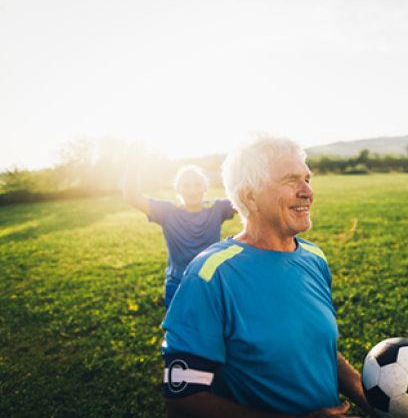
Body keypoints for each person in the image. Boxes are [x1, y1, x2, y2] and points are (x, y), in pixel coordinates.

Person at [161, 136, 373, 417]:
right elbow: (183, 399)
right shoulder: (210, 275)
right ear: (250, 197)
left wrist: (375, 400)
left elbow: (319, 353)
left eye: (307, 179)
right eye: (291, 180)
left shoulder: (314, 258)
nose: (307, 191)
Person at [123, 162, 235, 308]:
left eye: (197, 184)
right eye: (186, 185)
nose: (192, 190)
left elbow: (247, 198)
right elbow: (132, 197)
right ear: (178, 189)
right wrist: (133, 163)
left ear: (205, 187)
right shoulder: (167, 212)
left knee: (212, 328)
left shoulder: (218, 209)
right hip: (178, 284)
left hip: (211, 282)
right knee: (179, 329)